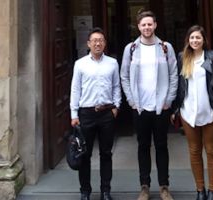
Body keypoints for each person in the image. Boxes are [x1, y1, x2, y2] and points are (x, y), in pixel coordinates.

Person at [120, 10, 178, 200]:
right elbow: (124, 76)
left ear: (155, 25)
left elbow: (173, 76)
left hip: (161, 107)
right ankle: (144, 187)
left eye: (149, 24)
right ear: (138, 27)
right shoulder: (131, 49)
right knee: (143, 147)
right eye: (143, 25)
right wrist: (131, 100)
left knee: (162, 146)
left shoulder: (165, 47)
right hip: (140, 107)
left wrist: (168, 100)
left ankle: (164, 187)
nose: (147, 27)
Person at [171, 25, 213, 200]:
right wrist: (176, 109)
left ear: (204, 40)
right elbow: (179, 87)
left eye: (198, 38)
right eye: (192, 38)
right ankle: (200, 190)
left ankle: (212, 190)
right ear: (188, 40)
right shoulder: (183, 57)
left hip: (210, 112)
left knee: (212, 151)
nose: (195, 41)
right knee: (194, 151)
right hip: (188, 112)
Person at [70, 27, 121, 200]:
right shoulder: (80, 64)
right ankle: (85, 192)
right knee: (85, 155)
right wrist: (74, 114)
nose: (98, 43)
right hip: (86, 114)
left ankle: (105, 191)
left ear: (105, 43)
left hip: (107, 113)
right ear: (89, 43)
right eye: (94, 40)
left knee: (106, 154)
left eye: (101, 40)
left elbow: (116, 86)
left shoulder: (112, 63)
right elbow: (75, 89)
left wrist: (116, 107)